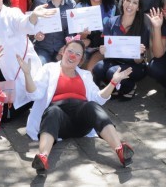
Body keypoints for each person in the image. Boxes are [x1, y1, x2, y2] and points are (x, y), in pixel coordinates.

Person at [23, 39, 135, 172]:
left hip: (81, 121)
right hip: (58, 121)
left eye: (77, 54)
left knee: (92, 106)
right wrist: (27, 75)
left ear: (81, 59)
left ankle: (120, 150)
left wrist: (113, 82)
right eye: (70, 51)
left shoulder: (86, 75)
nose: (72, 56)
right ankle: (42, 157)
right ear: (63, 52)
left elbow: (99, 98)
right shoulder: (49, 69)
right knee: (52, 111)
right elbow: (34, 94)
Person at [94, 0, 149, 99]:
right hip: (114, 61)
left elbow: (139, 60)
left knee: (112, 73)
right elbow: (106, 52)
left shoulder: (142, 28)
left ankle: (130, 86)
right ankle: (114, 88)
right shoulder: (111, 21)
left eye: (134, 3)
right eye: (128, 0)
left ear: (138, 7)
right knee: (98, 68)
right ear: (123, 1)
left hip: (134, 66)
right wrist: (103, 50)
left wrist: (139, 53)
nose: (130, 5)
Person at [32, 0, 76, 64]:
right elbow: (29, 25)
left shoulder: (71, 5)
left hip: (62, 50)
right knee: (40, 64)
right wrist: (35, 35)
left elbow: (71, 31)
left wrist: (66, 47)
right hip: (42, 48)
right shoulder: (39, 2)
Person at [74, 0, 117, 69]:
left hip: (102, 48)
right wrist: (83, 34)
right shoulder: (80, 7)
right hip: (83, 46)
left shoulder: (112, 7)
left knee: (90, 69)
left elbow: (114, 33)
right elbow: (77, 37)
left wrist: (91, 41)